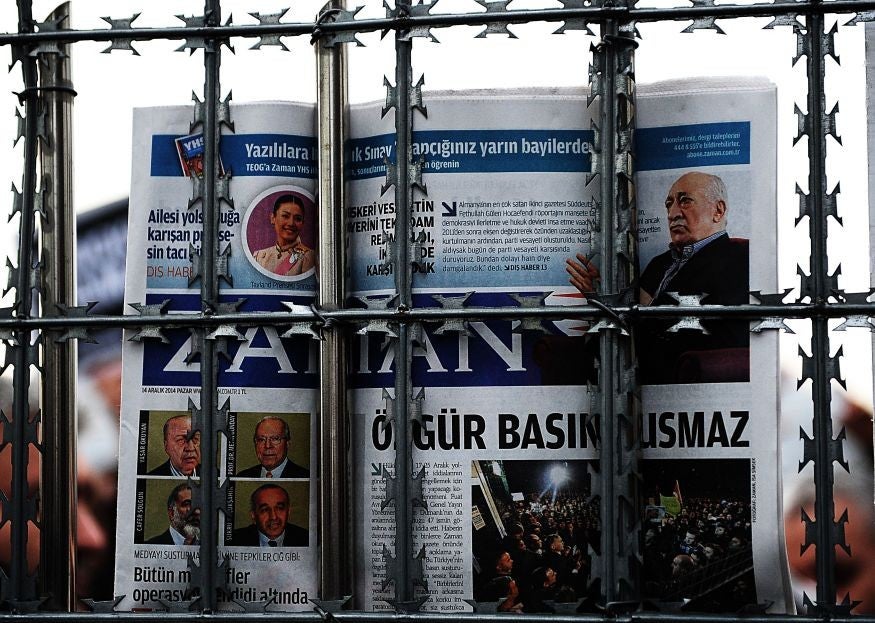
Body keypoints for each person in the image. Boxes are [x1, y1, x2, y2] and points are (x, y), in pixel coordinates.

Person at [566, 171, 749, 384]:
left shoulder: (739, 258)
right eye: (669, 205)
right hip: (633, 361)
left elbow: (725, 335)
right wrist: (604, 299)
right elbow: (633, 317)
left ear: (718, 211)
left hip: (676, 372)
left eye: (685, 201)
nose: (673, 213)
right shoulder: (659, 263)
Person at [252, 194, 316, 276]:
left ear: (303, 223)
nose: (291, 223)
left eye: (298, 219)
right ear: (273, 218)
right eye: (285, 216)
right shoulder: (259, 256)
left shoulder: (308, 257)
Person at [231, 484, 308, 547]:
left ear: (288, 512)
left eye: (280, 508)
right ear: (253, 515)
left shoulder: (306, 539)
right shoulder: (234, 541)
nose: (273, 517)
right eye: (265, 510)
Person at [236, 416, 309, 478]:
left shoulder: (305, 476)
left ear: (287, 443)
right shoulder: (243, 476)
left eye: (275, 439)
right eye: (261, 439)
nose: (267, 446)